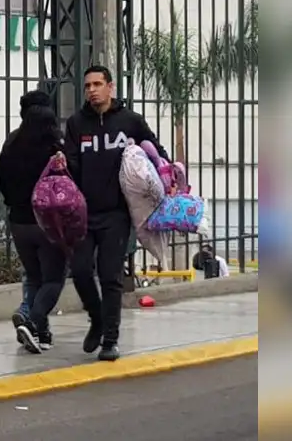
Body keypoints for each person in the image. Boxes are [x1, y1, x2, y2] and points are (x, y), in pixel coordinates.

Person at [59, 64, 167, 362]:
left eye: (97, 84)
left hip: (116, 214)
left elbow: (156, 152)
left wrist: (166, 175)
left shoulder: (130, 121)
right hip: (83, 212)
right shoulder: (76, 123)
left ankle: (110, 339)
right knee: (80, 271)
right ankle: (97, 319)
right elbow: (71, 163)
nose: (92, 90)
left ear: (111, 87)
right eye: (87, 86)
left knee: (110, 275)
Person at [0, 89, 66, 354]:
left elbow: (2, 182)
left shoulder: (11, 142)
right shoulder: (55, 145)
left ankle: (40, 332)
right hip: (49, 222)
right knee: (54, 279)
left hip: (19, 222)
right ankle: (31, 318)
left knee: (35, 277)